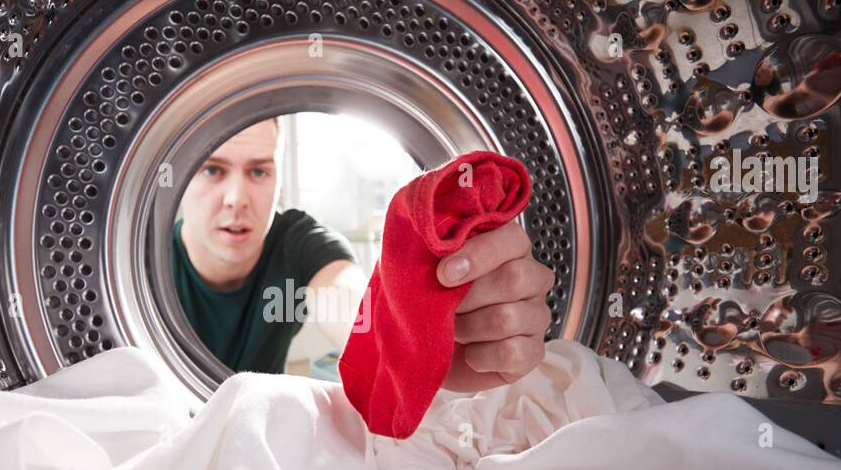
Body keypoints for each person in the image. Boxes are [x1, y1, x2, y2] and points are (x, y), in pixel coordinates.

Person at [171, 117, 555, 390]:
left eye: (258, 172)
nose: (237, 199)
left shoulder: (300, 243)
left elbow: (348, 302)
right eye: (212, 170)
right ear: (183, 177)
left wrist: (413, 344)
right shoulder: (138, 265)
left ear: (279, 175)